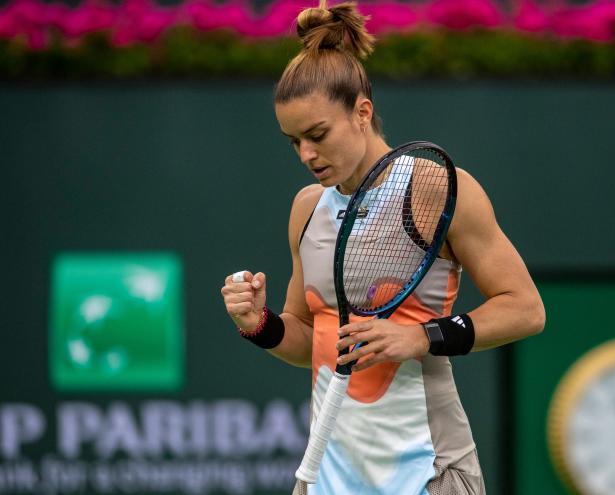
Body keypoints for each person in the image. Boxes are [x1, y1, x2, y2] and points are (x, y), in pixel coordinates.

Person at [220, 1, 545, 493]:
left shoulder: (434, 189)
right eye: (293, 142)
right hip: (330, 475)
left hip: (428, 472)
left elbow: (526, 310)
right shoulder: (307, 208)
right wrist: (260, 326)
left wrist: (419, 338)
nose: (307, 154)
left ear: (362, 113)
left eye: (317, 134)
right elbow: (313, 341)